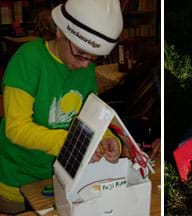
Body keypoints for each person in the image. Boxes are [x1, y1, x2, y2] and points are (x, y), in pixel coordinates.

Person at [0, 0, 124, 213]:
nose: (86, 64)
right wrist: (69, 142)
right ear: (59, 31)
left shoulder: (84, 68)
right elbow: (16, 128)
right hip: (17, 183)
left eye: (93, 58)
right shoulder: (27, 61)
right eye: (80, 53)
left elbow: (89, 120)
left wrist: (107, 141)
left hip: (63, 179)